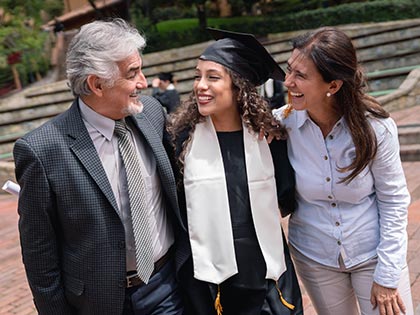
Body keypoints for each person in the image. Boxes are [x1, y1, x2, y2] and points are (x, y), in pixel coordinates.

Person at [13, 18, 184, 315]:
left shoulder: (152, 114)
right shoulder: (42, 151)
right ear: (97, 84)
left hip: (166, 285)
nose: (143, 82)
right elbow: (40, 256)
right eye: (133, 74)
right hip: (99, 303)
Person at [273, 26, 414, 315]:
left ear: (333, 86)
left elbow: (394, 201)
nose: (288, 82)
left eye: (301, 76)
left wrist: (387, 276)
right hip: (315, 255)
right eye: (289, 71)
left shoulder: (375, 128)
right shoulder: (282, 123)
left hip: (374, 251)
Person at [167, 28, 302, 315]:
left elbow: (287, 197)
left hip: (267, 275)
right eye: (197, 76)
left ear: (238, 87)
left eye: (212, 77)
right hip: (208, 282)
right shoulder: (180, 142)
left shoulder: (269, 138)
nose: (200, 85)